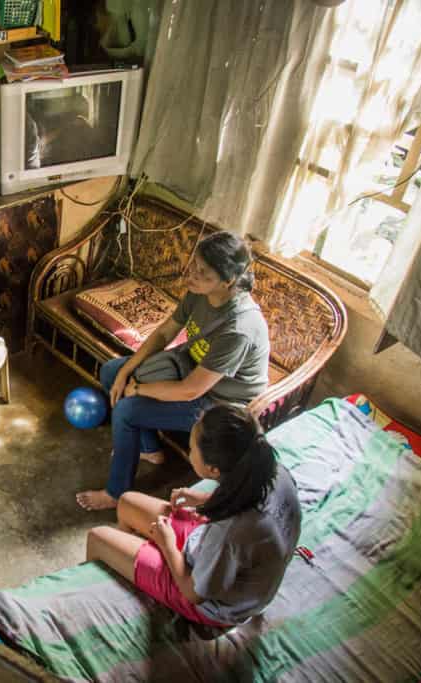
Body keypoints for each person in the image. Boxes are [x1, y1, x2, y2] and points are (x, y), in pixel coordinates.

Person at [77, 231, 270, 511]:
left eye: (201, 272)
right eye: (194, 264)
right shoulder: (199, 293)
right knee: (110, 372)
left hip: (218, 401)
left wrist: (138, 389)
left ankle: (116, 493)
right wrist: (126, 370)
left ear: (227, 282)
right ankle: (149, 449)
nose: (190, 274)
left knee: (126, 410)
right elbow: (166, 331)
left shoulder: (238, 329)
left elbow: (192, 390)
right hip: (189, 366)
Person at [86, 404, 302, 628]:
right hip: (214, 553)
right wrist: (200, 499)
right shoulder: (273, 472)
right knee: (127, 502)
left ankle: (100, 599)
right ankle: (132, 572)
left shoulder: (229, 532)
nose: (190, 453)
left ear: (213, 470)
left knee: (97, 537)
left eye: (191, 449)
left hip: (215, 605)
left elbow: (194, 593)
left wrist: (167, 543)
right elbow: (247, 499)